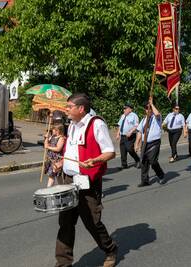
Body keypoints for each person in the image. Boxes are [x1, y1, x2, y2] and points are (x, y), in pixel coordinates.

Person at [54, 93, 117, 267]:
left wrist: (95, 160)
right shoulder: (72, 125)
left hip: (87, 181)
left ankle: (110, 249)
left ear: (80, 109)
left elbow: (110, 152)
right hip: (68, 180)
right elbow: (71, 150)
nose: (66, 110)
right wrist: (61, 162)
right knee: (65, 223)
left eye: (69, 107)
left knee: (92, 222)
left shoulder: (97, 124)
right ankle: (63, 264)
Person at [135, 97, 166, 186]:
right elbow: (140, 132)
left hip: (154, 142)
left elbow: (157, 114)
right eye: (146, 108)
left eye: (149, 108)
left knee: (153, 161)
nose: (148, 110)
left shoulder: (157, 117)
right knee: (144, 162)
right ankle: (145, 181)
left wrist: (152, 104)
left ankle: (161, 175)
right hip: (145, 143)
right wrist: (137, 144)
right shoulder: (144, 119)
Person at [116, 103, 140, 169]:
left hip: (131, 136)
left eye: (125, 108)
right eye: (124, 108)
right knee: (122, 150)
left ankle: (138, 160)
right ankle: (124, 164)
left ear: (130, 109)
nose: (124, 110)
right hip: (123, 136)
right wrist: (118, 133)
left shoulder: (134, 116)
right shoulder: (123, 116)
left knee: (129, 149)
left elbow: (136, 125)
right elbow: (120, 125)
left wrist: (131, 131)